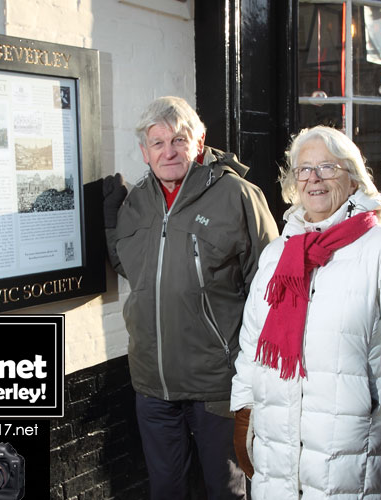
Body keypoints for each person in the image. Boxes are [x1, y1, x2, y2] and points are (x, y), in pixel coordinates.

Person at [103, 96, 279, 500]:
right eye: (158, 142)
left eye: (179, 140)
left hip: (217, 383)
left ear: (198, 144)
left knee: (226, 489)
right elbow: (134, 268)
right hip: (152, 383)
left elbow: (270, 285)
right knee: (166, 489)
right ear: (144, 151)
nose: (169, 151)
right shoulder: (137, 203)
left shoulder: (237, 196)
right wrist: (111, 224)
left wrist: (257, 371)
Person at [230, 126, 381, 498]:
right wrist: (244, 413)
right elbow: (251, 345)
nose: (314, 178)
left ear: (352, 178)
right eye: (304, 169)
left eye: (327, 167)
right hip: (277, 455)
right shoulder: (276, 255)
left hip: (349, 458)